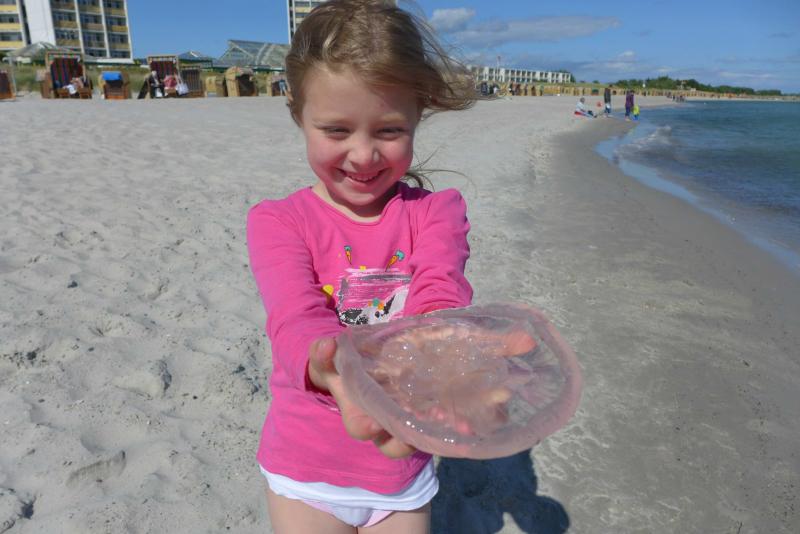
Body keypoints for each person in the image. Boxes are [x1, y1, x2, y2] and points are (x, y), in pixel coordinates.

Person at [246, 1, 478, 531]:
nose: (364, 154)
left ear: (418, 115)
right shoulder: (278, 221)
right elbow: (294, 317)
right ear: (298, 114)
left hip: (401, 472)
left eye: (389, 131)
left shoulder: (437, 212)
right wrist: (332, 365)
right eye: (336, 130)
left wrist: (446, 347)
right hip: (306, 470)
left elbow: (439, 291)